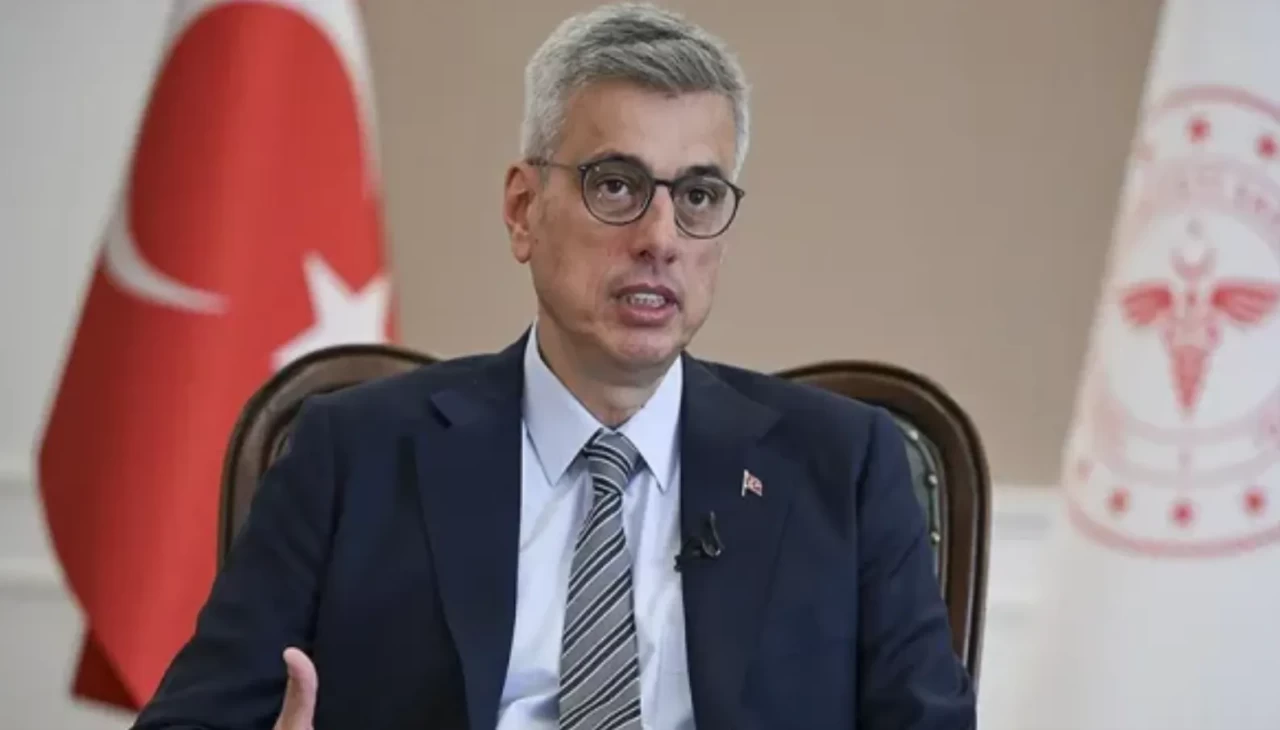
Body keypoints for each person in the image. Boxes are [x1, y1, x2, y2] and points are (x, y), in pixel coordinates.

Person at [131, 3, 976, 728]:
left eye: (698, 196)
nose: (660, 238)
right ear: (523, 209)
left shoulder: (844, 466)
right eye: (616, 185)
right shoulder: (352, 453)